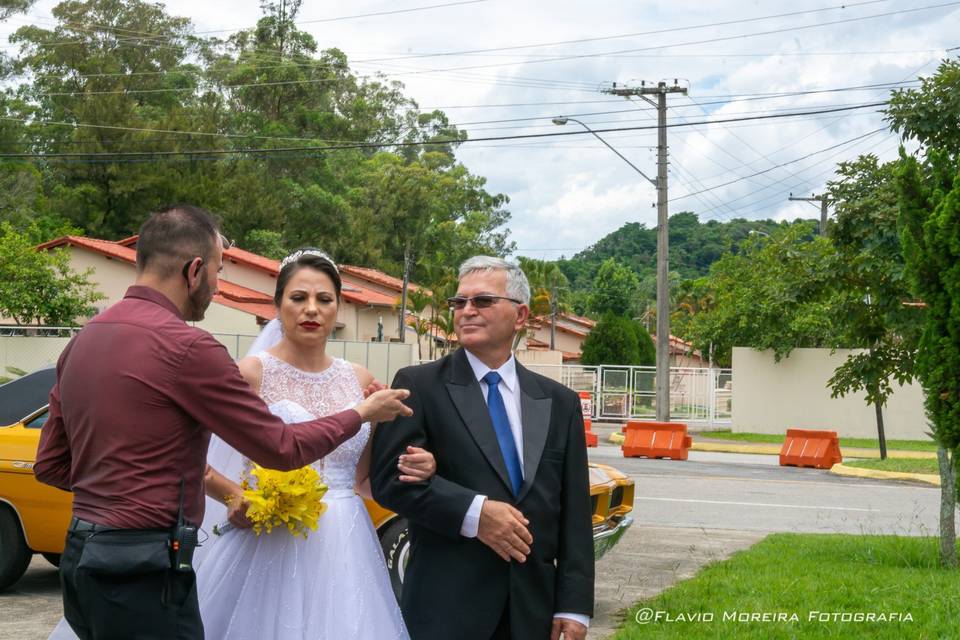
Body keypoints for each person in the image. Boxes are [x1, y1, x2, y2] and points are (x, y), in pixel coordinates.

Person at [34, 205, 412, 640]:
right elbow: (283, 449)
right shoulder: (189, 348)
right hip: (145, 564)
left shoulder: (83, 341)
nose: (216, 287)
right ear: (194, 270)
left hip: (81, 552)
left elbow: (51, 464)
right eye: (216, 271)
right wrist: (361, 413)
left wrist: (117, 492)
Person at [194, 248, 432, 640]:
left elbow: (366, 480)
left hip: (345, 543)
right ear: (277, 305)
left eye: (324, 300)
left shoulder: (358, 380)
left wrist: (418, 465)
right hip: (267, 539)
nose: (311, 310)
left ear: (338, 308)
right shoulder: (249, 374)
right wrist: (234, 495)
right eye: (298, 298)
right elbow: (194, 456)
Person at [371, 256, 594, 640]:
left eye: (483, 301)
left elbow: (574, 512)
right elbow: (391, 481)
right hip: (446, 608)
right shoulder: (419, 386)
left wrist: (573, 606)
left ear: (520, 316)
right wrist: (476, 513)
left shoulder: (559, 402)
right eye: (459, 303)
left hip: (532, 611)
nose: (466, 311)